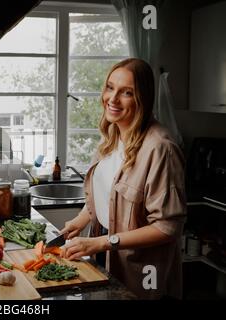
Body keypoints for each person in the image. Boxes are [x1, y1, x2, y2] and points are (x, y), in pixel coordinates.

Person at [60, 58, 186, 299]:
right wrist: (80, 219)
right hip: (104, 254)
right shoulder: (110, 136)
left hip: (142, 271)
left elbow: (167, 227)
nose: (113, 99)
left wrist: (104, 242)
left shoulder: (160, 149)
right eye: (110, 87)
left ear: (143, 99)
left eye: (127, 92)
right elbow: (106, 197)